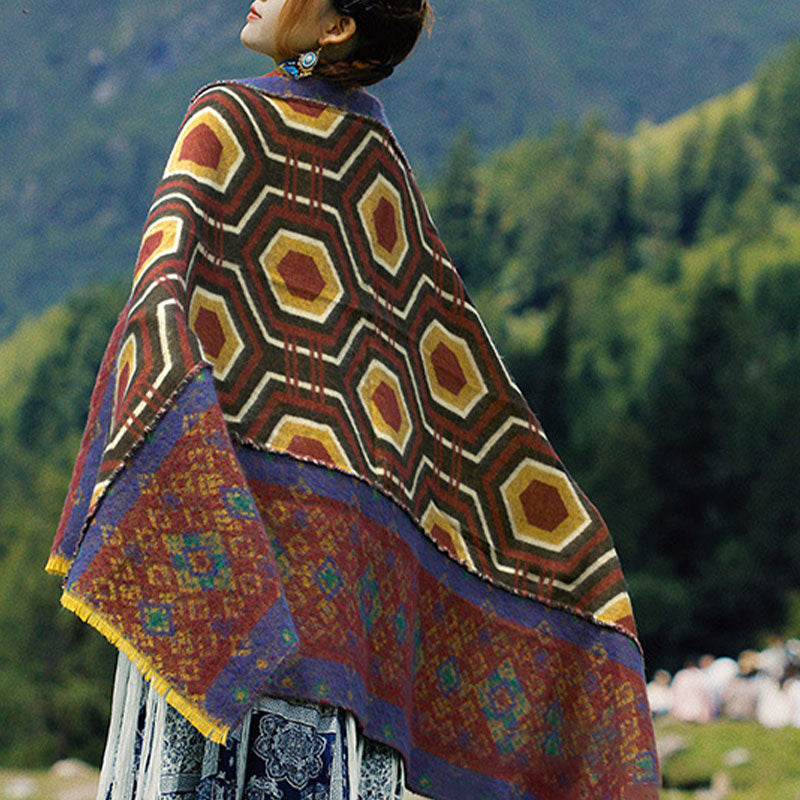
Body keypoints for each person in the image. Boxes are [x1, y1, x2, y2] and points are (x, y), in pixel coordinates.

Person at [46, 1, 659, 798]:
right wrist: (576, 563)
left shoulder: (226, 118)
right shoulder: (381, 163)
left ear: (335, 26)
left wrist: (183, 483)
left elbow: (159, 302)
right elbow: (449, 382)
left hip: (236, 553)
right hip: (348, 605)